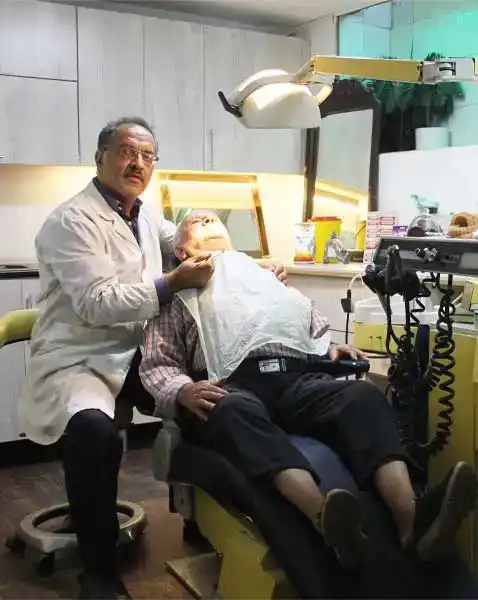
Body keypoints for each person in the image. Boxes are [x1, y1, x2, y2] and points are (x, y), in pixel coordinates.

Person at [17, 117, 286, 600]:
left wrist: (249, 267)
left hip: (134, 353)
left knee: (209, 393)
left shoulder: (143, 215)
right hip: (79, 358)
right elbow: (97, 302)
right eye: (126, 152)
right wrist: (174, 281)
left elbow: (184, 243)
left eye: (147, 155)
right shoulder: (71, 220)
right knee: (94, 433)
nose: (136, 163)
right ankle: (99, 573)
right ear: (100, 157)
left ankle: (204, 514)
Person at [139, 209, 478, 574]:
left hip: (297, 378)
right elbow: (158, 364)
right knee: (233, 410)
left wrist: (328, 350)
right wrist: (183, 390)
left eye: (212, 219)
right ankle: (326, 521)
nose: (207, 221)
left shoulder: (266, 280)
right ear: (182, 252)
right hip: (233, 386)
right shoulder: (177, 296)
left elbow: (307, 328)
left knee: (361, 398)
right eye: (196, 222)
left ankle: (411, 520)